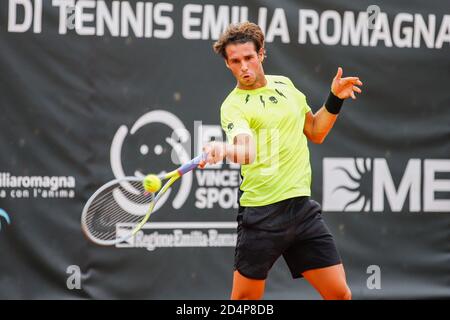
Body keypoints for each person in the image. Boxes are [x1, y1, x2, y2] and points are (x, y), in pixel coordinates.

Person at [202, 22, 363, 300]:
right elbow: (246, 151)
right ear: (228, 64)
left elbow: (315, 131)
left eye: (249, 58)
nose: (244, 67)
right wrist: (226, 150)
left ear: (261, 54)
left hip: (301, 210)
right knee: (244, 301)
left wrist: (335, 98)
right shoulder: (233, 106)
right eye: (235, 61)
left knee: (340, 294)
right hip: (261, 215)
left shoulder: (285, 86)